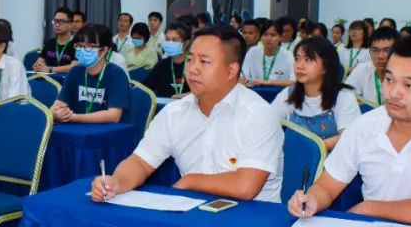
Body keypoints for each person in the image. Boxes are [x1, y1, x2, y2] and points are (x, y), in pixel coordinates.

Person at [287, 34, 411, 227]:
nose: (394, 93)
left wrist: (368, 208)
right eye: (389, 80)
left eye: (409, 85)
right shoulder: (365, 125)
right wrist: (312, 199)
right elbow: (326, 187)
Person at [91, 25, 284, 203]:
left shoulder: (258, 114)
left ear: (231, 70)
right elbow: (140, 162)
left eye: (204, 62)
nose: (192, 69)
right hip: (192, 211)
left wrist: (190, 181)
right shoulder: (174, 112)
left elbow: (245, 186)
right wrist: (117, 182)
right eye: (190, 59)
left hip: (249, 217)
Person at [271, 37, 361, 150]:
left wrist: (312, 150)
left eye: (308, 59)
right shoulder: (289, 93)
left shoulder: (343, 96)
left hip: (331, 159)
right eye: (297, 59)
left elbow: (349, 137)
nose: (299, 66)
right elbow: (268, 122)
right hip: (295, 158)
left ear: (326, 66)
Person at [52, 24, 130, 123]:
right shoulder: (75, 72)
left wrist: (73, 117)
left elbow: (113, 116)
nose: (83, 50)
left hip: (108, 130)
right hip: (76, 127)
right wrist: (55, 113)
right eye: (80, 45)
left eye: (89, 46)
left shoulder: (116, 74)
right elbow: (58, 105)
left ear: (104, 50)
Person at [345, 26, 398, 106]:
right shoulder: (362, 69)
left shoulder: (407, 75)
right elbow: (345, 96)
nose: (380, 56)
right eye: (375, 50)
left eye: (387, 50)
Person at [142, 22, 193, 98]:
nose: (170, 43)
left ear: (186, 43)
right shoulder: (161, 64)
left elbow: (205, 91)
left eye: (175, 40)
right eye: (167, 39)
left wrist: (188, 96)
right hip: (164, 104)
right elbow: (145, 87)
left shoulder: (193, 66)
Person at [240, 20, 295, 87]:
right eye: (265, 35)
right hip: (255, 91)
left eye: (273, 35)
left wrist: (268, 82)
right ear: (260, 36)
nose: (268, 38)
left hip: (280, 92)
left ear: (280, 37)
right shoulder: (252, 52)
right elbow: (243, 77)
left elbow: (294, 82)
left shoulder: (288, 55)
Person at [33, 7, 78, 74]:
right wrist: (37, 66)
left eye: (61, 22)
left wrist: (51, 69)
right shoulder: (49, 43)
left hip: (66, 79)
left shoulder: (78, 44)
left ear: (70, 24)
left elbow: (74, 67)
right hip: (49, 78)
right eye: (55, 21)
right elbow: (38, 63)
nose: (57, 25)